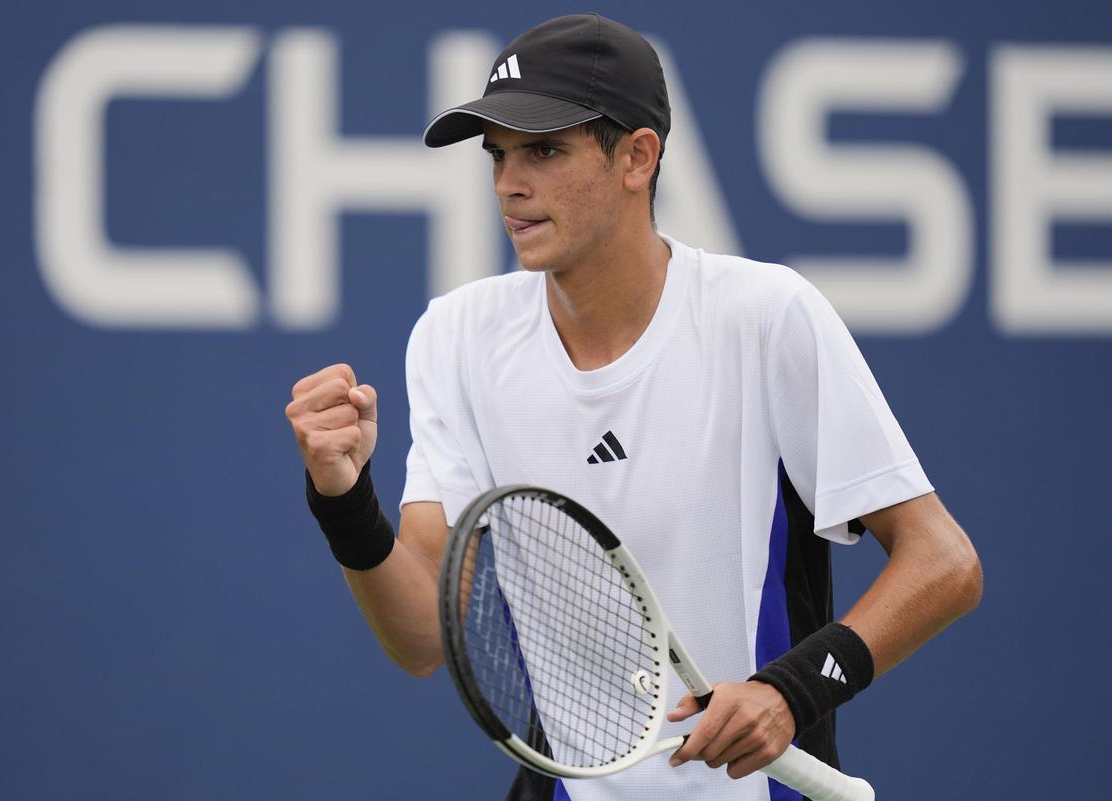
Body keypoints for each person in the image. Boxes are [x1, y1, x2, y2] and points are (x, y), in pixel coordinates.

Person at [285, 13, 982, 801]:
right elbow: (419, 635)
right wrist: (344, 500)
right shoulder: (457, 337)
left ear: (637, 157)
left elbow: (944, 561)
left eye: (544, 150)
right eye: (499, 155)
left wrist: (793, 689)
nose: (511, 183)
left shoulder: (764, 315)